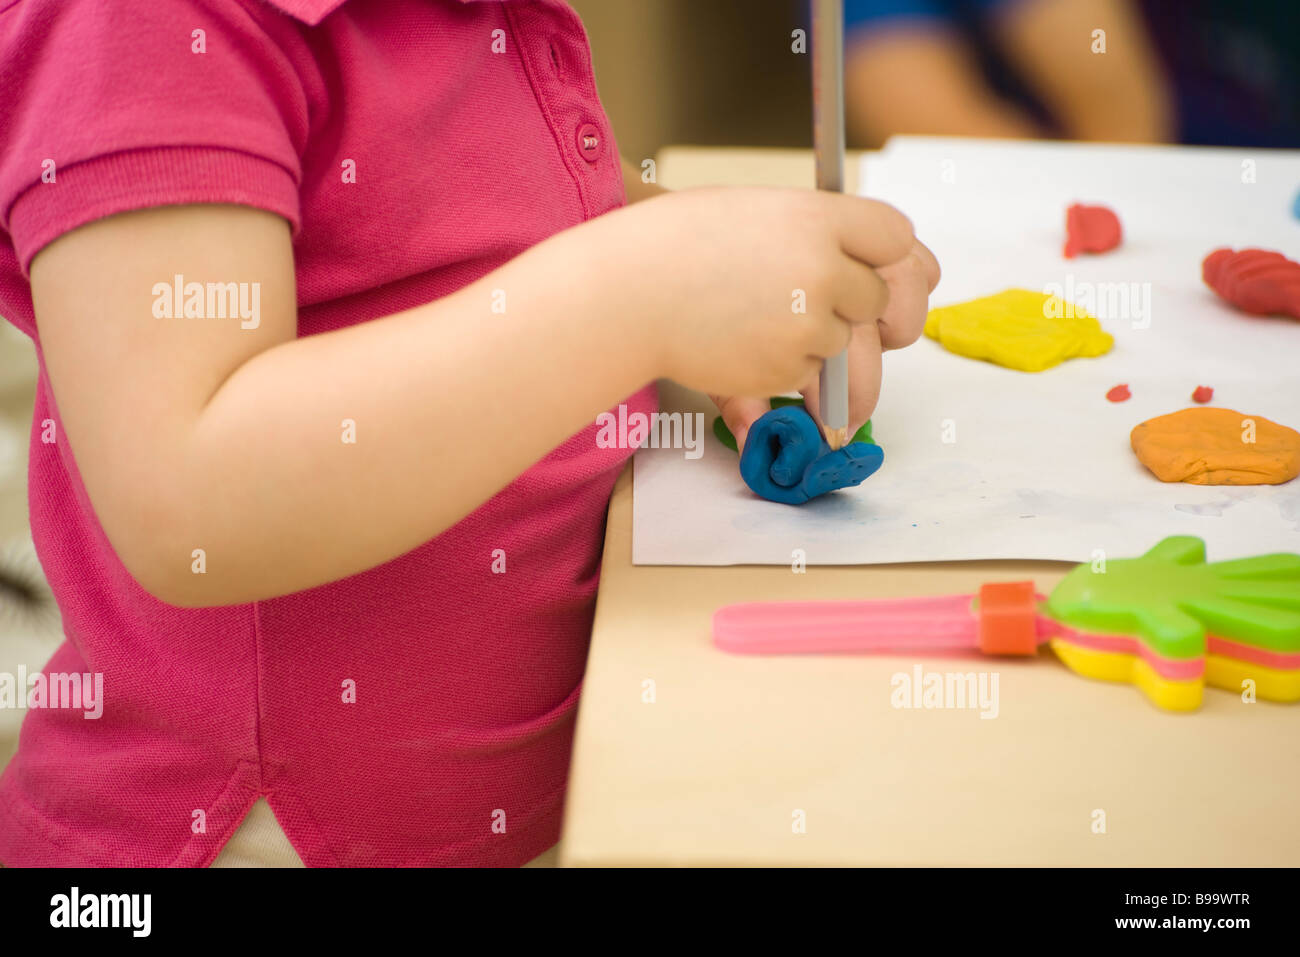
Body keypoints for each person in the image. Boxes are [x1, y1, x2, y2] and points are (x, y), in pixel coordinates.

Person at [0, 0, 938, 866]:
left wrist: (727, 277)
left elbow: (481, 249)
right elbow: (191, 499)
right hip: (265, 831)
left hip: (541, 792)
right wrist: (636, 296)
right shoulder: (141, 26)